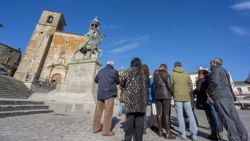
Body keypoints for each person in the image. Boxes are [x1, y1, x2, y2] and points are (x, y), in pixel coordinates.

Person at [208, 58, 248, 141]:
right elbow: (229, 84)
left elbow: (214, 82)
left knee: (226, 118)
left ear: (215, 62)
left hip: (220, 96)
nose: (210, 64)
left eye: (211, 63)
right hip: (228, 95)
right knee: (236, 118)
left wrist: (210, 91)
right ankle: (243, 137)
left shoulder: (215, 70)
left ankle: (234, 138)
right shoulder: (224, 70)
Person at [120, 58, 147, 141]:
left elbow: (121, 82)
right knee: (139, 125)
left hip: (130, 102)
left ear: (131, 63)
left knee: (129, 123)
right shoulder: (143, 73)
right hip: (141, 103)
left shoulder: (127, 71)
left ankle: (127, 139)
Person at [171, 62, 197, 141]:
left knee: (180, 116)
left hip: (177, 96)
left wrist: (174, 93)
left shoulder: (172, 74)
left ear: (174, 66)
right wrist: (186, 91)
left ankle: (183, 134)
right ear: (181, 66)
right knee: (190, 115)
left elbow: (171, 86)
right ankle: (194, 134)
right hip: (186, 96)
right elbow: (190, 85)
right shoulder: (186, 74)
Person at [93, 61, 120, 136]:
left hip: (100, 94)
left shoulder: (100, 71)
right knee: (108, 113)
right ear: (112, 65)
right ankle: (106, 131)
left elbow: (95, 80)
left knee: (98, 112)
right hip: (109, 94)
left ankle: (96, 128)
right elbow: (118, 81)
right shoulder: (114, 71)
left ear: (107, 64)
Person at [194, 69, 221, 140]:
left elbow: (199, 90)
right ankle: (216, 132)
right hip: (210, 101)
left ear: (204, 74)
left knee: (210, 118)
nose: (198, 75)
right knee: (213, 117)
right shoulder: (208, 80)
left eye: (199, 74)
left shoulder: (201, 81)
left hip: (205, 101)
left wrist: (192, 92)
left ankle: (214, 134)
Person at [153, 64, 176, 139]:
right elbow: (169, 85)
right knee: (166, 114)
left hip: (157, 96)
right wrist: (173, 93)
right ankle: (168, 133)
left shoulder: (155, 76)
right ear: (166, 68)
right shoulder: (167, 74)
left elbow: (154, 87)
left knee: (159, 113)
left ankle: (160, 132)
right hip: (166, 96)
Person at [141, 64, 151, 135]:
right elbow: (149, 85)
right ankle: (144, 129)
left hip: (138, 96)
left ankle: (138, 127)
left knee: (138, 113)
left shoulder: (138, 75)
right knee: (144, 113)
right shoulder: (147, 76)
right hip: (145, 96)